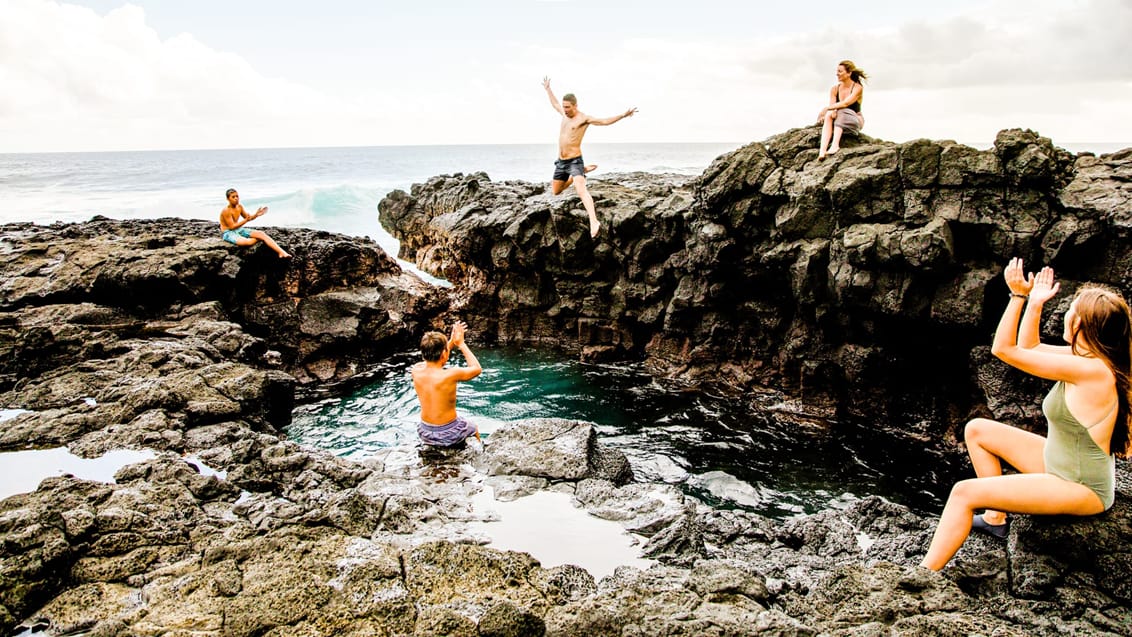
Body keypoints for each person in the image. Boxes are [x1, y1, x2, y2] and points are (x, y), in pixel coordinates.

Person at [921, 258, 1132, 571]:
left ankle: (923, 576)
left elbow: (1005, 350)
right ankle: (996, 518)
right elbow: (1029, 345)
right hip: (1059, 462)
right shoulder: (1090, 356)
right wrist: (1031, 303)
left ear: (1081, 326)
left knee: (963, 493)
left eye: (1071, 311)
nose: (1066, 313)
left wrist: (1021, 298)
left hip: (1081, 486)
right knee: (978, 430)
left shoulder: (1091, 371)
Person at [542, 77, 637, 238]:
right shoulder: (564, 114)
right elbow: (555, 104)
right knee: (556, 191)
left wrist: (623, 115)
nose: (565, 110)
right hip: (561, 162)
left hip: (574, 160)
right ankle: (581, 173)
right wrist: (548, 89)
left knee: (581, 190)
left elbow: (604, 121)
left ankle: (594, 221)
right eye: (564, 107)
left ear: (575, 105)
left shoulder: (583, 119)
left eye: (568, 107)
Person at [412, 321, 483, 448]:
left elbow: (436, 357)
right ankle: (481, 454)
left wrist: (450, 342)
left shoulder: (416, 370)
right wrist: (461, 344)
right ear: (444, 353)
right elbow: (476, 368)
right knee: (473, 427)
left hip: (425, 431)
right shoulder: (450, 375)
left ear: (423, 353)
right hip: (447, 433)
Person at [816, 60, 867, 160]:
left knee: (842, 111)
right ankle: (822, 151)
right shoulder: (834, 89)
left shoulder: (857, 87)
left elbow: (846, 103)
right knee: (829, 114)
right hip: (840, 120)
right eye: (837, 71)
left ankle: (835, 145)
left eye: (840, 71)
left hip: (855, 120)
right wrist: (831, 111)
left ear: (849, 73)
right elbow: (833, 105)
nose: (837, 74)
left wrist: (826, 108)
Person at [219, 188, 291, 258]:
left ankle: (282, 252)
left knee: (261, 234)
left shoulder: (239, 207)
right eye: (233, 197)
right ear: (228, 199)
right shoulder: (226, 211)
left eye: (237, 196)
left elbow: (248, 218)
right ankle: (261, 239)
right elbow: (232, 227)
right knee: (248, 242)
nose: (236, 198)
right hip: (228, 233)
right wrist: (246, 220)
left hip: (238, 229)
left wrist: (256, 215)